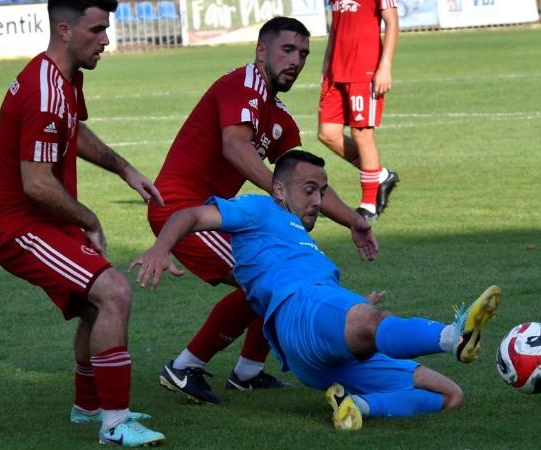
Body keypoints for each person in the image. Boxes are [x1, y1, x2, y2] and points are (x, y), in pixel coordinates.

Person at [130, 150, 501, 430]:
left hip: (318, 341)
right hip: (299, 310)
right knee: (373, 321)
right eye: (309, 190)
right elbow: (190, 215)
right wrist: (161, 248)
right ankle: (454, 335)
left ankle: (356, 406)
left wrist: (356, 308)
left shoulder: (302, 243)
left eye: (321, 192)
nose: (318, 201)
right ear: (279, 189)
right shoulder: (260, 209)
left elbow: (324, 295)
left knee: (450, 396)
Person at [146, 17, 377, 405]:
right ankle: (185, 367)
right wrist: (278, 192)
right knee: (268, 277)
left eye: (303, 54)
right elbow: (234, 147)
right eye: (287, 50)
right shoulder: (243, 84)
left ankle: (248, 371)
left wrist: (354, 219)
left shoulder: (278, 113)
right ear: (260, 51)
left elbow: (305, 178)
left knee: (278, 270)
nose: (296, 60)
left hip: (217, 213)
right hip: (182, 209)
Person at [0, 0, 165, 446]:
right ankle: (115, 424)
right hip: (22, 228)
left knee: (94, 303)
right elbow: (37, 184)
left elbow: (75, 130)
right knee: (114, 292)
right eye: (97, 29)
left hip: (43, 221)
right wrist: (90, 218)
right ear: (64, 30)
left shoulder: (65, 78)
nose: (106, 39)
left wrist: (124, 169)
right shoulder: (43, 89)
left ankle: (89, 407)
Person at [317, 0, 401, 222]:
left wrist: (385, 67)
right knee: (327, 134)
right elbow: (335, 29)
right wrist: (326, 67)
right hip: (336, 72)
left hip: (365, 70)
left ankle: (368, 204)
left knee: (362, 134)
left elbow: (392, 22)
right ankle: (381, 175)